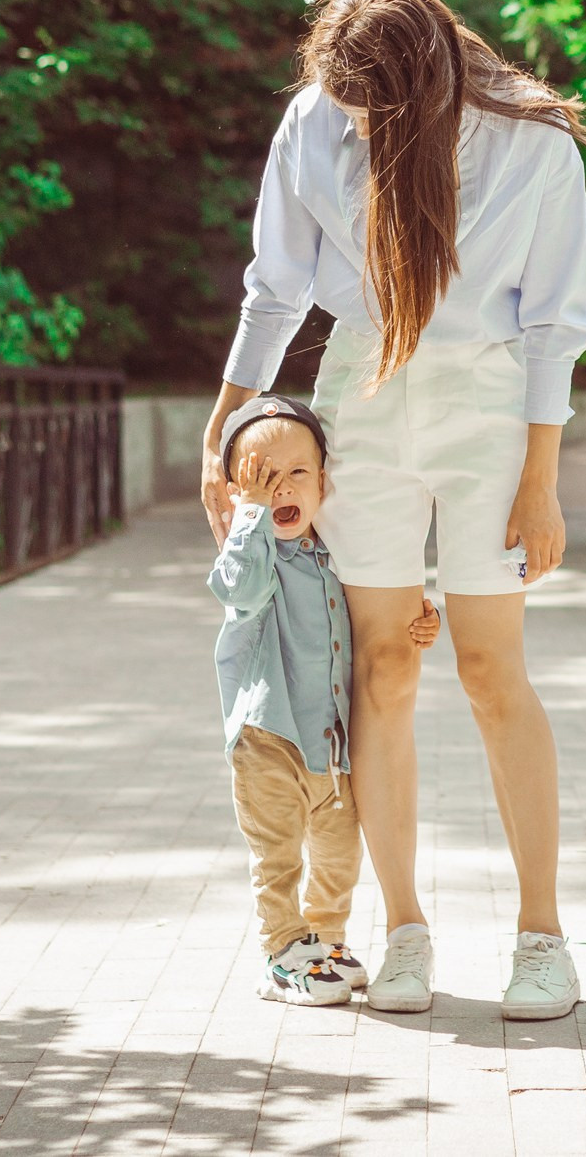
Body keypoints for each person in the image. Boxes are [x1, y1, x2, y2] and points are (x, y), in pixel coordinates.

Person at [200, 0, 586, 1021]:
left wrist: (541, 478)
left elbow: (557, 320)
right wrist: (227, 417)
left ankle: (542, 937)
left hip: (489, 402)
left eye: (378, 106)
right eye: (345, 103)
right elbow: (276, 284)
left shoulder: (534, 140)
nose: (359, 122)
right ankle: (404, 928)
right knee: (376, 667)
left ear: (430, 76)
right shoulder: (316, 116)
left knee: (488, 669)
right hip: (363, 398)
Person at [208, 391, 438, 1005]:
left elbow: (365, 631)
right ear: (237, 490)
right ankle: (283, 951)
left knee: (339, 854)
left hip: (331, 744)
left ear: (323, 482)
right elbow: (240, 590)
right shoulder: (251, 554)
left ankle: (326, 940)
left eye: (297, 474)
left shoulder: (332, 558)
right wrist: (250, 517)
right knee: (278, 855)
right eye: (263, 478)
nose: (282, 488)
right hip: (269, 738)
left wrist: (419, 622)